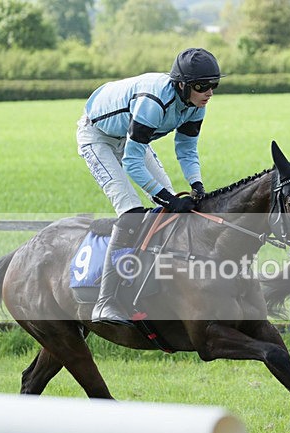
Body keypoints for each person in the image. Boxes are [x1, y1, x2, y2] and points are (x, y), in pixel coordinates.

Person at [76, 47, 223, 325]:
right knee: (131, 214)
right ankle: (105, 302)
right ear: (182, 85)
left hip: (130, 136)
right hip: (98, 138)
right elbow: (132, 163)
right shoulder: (154, 102)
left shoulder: (195, 105)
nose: (210, 92)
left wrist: (197, 186)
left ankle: (157, 288)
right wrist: (167, 197)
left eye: (214, 85)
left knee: (169, 211)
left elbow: (187, 149)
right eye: (203, 86)